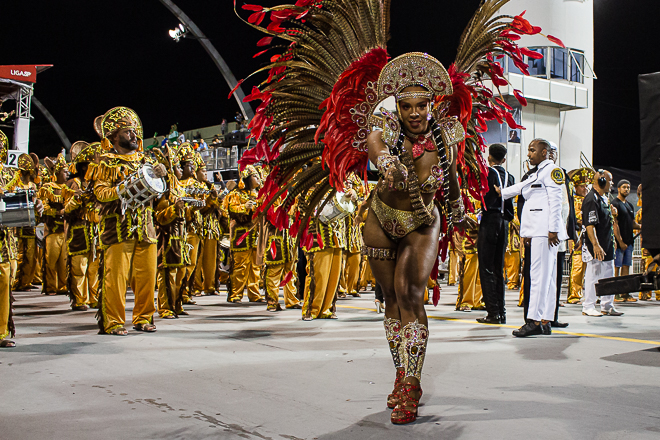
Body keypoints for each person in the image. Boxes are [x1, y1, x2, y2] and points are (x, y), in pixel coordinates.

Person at [232, 0, 549, 425]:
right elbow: (376, 143)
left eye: (422, 106)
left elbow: (452, 177)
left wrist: (457, 213)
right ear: (396, 107)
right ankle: (401, 372)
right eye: (407, 107)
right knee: (389, 302)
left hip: (423, 222)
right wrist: (386, 162)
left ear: (432, 104)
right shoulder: (385, 126)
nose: (415, 114)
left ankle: (413, 384)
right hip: (380, 219)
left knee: (410, 295)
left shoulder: (448, 134)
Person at [90, 106, 167, 335]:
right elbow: (100, 193)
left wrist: (162, 176)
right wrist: (123, 189)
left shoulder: (146, 161)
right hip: (118, 227)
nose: (134, 135)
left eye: (134, 131)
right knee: (116, 278)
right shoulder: (105, 162)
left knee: (147, 277)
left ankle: (143, 318)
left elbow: (160, 194)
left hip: (146, 227)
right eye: (127, 131)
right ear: (114, 136)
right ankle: (113, 322)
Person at [499, 139, 568, 336]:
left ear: (544, 152)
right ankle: (545, 320)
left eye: (532, 150)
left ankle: (535, 321)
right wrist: (500, 193)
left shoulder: (552, 170)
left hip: (545, 231)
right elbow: (521, 187)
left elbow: (556, 201)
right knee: (546, 277)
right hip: (538, 230)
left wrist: (553, 229)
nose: (528, 154)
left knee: (539, 277)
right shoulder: (538, 171)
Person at [476, 143, 514, 324]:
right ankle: (502, 311)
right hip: (504, 222)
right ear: (504, 159)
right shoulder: (511, 177)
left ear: (489, 157)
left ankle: (493, 312)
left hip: (489, 220)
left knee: (486, 267)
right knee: (499, 269)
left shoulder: (487, 173)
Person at [64, 141, 102, 310]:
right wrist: (77, 198)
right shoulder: (74, 184)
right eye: (87, 166)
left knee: (95, 266)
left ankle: (94, 297)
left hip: (94, 230)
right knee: (79, 266)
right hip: (79, 230)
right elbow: (66, 209)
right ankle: (80, 299)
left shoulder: (96, 184)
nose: (90, 170)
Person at [581, 170, 623, 317]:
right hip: (596, 246)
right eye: (610, 181)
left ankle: (607, 305)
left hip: (607, 244)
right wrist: (596, 245)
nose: (611, 184)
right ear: (602, 181)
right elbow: (590, 225)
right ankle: (588, 306)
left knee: (608, 275)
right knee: (594, 275)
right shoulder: (591, 199)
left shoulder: (603, 198)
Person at [223, 165, 264, 303]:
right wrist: (244, 207)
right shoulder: (236, 194)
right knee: (240, 265)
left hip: (256, 234)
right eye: (254, 176)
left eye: (258, 176)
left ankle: (254, 294)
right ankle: (236, 294)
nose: (258, 179)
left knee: (255, 266)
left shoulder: (260, 195)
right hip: (241, 234)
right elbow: (230, 210)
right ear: (246, 179)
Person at [38, 155, 70, 297]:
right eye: (64, 171)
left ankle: (63, 286)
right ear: (56, 173)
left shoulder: (69, 188)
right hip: (51, 230)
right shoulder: (47, 187)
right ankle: (50, 286)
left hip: (65, 230)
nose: (67, 174)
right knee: (50, 260)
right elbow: (43, 207)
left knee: (64, 261)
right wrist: (58, 212)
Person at [611, 179, 641, 302]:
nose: (627, 189)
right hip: (619, 244)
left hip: (629, 242)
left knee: (626, 267)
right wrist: (620, 241)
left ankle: (625, 293)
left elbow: (632, 223)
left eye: (628, 187)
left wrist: (641, 226)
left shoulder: (629, 205)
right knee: (616, 268)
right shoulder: (615, 203)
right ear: (618, 189)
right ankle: (615, 293)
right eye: (624, 187)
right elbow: (614, 224)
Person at [566, 168, 593, 304]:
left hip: (588, 236)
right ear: (575, 187)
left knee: (588, 267)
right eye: (582, 186)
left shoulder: (588, 200)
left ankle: (584, 292)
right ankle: (574, 295)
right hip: (577, 236)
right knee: (577, 265)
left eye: (587, 186)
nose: (585, 189)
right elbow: (575, 218)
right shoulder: (573, 200)